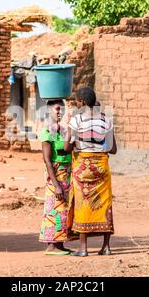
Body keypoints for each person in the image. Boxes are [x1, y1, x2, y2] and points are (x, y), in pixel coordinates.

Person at [65, 86, 117, 257]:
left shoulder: (76, 120)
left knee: (83, 203)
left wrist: (75, 142)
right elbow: (113, 149)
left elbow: (66, 147)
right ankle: (106, 247)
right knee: (104, 204)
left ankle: (83, 248)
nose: (76, 103)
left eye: (77, 100)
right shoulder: (106, 120)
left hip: (83, 166)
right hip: (101, 166)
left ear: (82, 102)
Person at [39, 100, 73, 255]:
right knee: (54, 209)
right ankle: (51, 245)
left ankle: (59, 244)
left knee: (62, 209)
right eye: (57, 109)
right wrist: (56, 185)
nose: (60, 112)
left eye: (62, 110)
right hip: (56, 175)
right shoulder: (46, 130)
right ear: (49, 111)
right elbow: (47, 160)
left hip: (65, 174)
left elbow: (67, 149)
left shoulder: (61, 130)